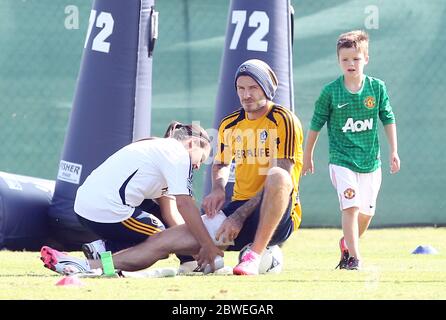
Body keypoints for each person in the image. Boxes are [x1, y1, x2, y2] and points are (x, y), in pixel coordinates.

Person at [40, 59, 303, 276]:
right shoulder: (229, 124)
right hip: (236, 211)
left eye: (253, 88)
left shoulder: (284, 119)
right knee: (162, 241)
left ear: (268, 88)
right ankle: (89, 266)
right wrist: (218, 188)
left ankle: (254, 256)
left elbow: (284, 176)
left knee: (278, 175)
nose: (246, 95)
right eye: (241, 88)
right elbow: (221, 163)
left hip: (276, 216)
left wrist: (237, 217)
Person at [41, 121, 224, 274]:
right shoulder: (177, 153)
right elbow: (184, 204)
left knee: (162, 231)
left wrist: (190, 255)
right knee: (159, 239)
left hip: (86, 207)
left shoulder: (160, 149)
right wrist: (206, 244)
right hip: (105, 209)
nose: (199, 166)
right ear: (192, 143)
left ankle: (102, 250)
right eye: (201, 159)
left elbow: (171, 215)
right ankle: (97, 258)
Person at [302, 30, 400, 270]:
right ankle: (355, 259)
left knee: (366, 214)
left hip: (370, 162)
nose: (351, 64)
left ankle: (347, 244)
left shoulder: (377, 88)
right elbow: (316, 125)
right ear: (338, 61)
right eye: (345, 59)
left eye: (356, 59)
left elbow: (388, 118)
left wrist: (393, 151)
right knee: (351, 206)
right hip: (341, 160)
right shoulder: (330, 92)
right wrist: (308, 156)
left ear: (366, 58)